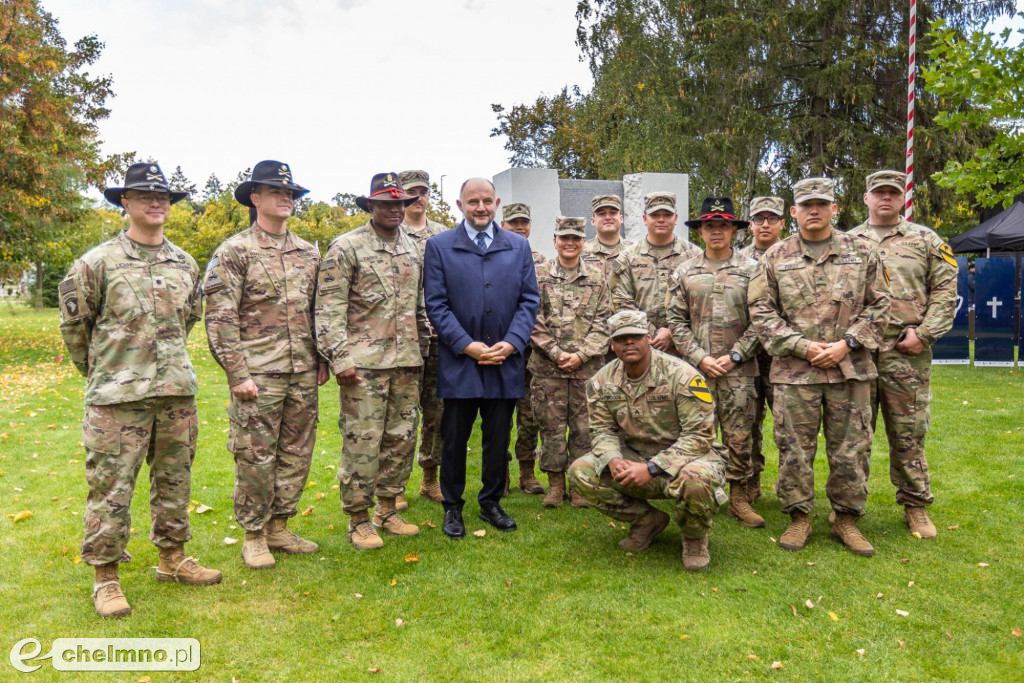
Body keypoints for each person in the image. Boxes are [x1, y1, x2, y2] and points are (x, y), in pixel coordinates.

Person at [58, 163, 221, 618]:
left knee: (175, 482)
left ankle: (172, 560)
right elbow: (75, 326)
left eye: (164, 197)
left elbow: (189, 318)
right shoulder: (97, 262)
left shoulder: (185, 263)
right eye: (146, 196)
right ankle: (106, 578)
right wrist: (104, 373)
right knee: (111, 489)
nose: (157, 203)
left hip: (175, 392)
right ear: (124, 203)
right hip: (116, 399)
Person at [748, 177, 891, 556]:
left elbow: (882, 306)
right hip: (796, 373)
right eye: (807, 204)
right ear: (793, 212)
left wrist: (847, 344)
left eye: (822, 204)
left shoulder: (863, 251)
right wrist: (804, 346)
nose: (815, 210)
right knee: (794, 448)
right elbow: (761, 313)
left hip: (851, 369)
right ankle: (799, 517)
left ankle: (845, 519)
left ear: (835, 209)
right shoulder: (775, 257)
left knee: (852, 448)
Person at [204, 160, 327, 570]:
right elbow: (221, 317)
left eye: (290, 193)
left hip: (303, 371)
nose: (286, 198)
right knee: (255, 457)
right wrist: (237, 374)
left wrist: (322, 359)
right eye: (277, 192)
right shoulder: (235, 251)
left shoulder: (309, 252)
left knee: (296, 452)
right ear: (256, 198)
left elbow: (320, 311)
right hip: (258, 373)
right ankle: (254, 534)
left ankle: (279, 525)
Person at [315, 172, 430, 550]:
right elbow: (328, 309)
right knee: (363, 443)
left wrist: (426, 349)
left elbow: (418, 306)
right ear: (371, 206)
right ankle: (358, 519)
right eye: (386, 203)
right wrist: (339, 358)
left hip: (407, 360)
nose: (395, 210)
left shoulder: (413, 248)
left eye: (399, 203)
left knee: (401, 439)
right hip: (363, 365)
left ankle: (387, 508)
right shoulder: (347, 247)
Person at [422, 178, 540, 539]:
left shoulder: (518, 247)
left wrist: (513, 342)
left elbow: (529, 301)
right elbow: (436, 304)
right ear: (460, 205)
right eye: (473, 201)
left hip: (505, 360)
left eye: (487, 201)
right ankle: (453, 507)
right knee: (455, 438)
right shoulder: (439, 246)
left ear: (497, 202)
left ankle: (491, 502)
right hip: (461, 361)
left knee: (497, 437)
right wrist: (465, 344)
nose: (481, 208)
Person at [568, 311, 727, 571]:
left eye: (636, 337)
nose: (629, 343)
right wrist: (613, 458)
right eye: (622, 339)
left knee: (696, 480)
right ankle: (646, 521)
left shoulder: (683, 375)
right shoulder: (601, 382)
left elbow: (701, 435)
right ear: (612, 344)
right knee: (580, 472)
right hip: (636, 456)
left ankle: (694, 536)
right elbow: (601, 429)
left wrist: (653, 468)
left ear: (649, 339)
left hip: (689, 458)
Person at [848, 170, 958, 538]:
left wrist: (925, 335)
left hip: (905, 351)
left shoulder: (926, 240)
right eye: (878, 192)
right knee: (853, 433)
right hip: (858, 352)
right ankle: (848, 508)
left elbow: (945, 291)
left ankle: (915, 504)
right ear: (865, 198)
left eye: (892, 193)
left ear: (902, 198)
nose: (885, 198)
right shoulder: (847, 241)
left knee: (908, 432)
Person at [668, 197, 763, 528]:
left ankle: (739, 496)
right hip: (697, 371)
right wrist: (700, 358)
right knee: (697, 432)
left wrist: (736, 354)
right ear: (701, 232)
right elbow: (676, 322)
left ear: (734, 230)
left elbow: (763, 319)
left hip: (740, 370)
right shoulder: (684, 271)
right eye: (710, 226)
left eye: (723, 225)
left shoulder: (753, 269)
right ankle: (699, 489)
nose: (717, 231)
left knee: (740, 436)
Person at [530, 216, 611, 508]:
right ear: (555, 241)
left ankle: (578, 485)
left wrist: (582, 354)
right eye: (564, 238)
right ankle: (554, 486)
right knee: (550, 428)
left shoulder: (598, 277)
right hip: (547, 369)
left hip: (586, 369)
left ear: (583, 242)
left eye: (576, 238)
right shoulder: (539, 275)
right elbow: (531, 319)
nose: (570, 243)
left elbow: (605, 321)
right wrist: (555, 352)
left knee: (584, 429)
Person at [398, 169, 449, 505]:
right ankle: (395, 486)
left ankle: (430, 478)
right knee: (401, 415)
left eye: (423, 191)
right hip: (400, 338)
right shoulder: (389, 231)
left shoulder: (444, 235)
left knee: (437, 412)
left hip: (437, 337)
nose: (418, 197)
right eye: (411, 192)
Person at [611, 192, 701, 356]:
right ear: (645, 219)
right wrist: (651, 332)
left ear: (676, 218)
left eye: (667, 215)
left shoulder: (694, 255)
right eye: (655, 215)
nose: (661, 219)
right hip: (642, 344)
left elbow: (700, 302)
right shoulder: (628, 257)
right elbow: (622, 301)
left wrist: (672, 332)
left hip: (686, 346)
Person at [738, 196, 786, 502]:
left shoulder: (792, 255)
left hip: (782, 356)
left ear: (783, 222)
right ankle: (750, 479)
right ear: (751, 224)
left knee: (787, 423)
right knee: (747, 422)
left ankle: (790, 486)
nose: (765, 224)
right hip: (748, 355)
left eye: (771, 218)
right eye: (759, 219)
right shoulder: (738, 259)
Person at [498, 202, 545, 495]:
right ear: (503, 225)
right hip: (501, 349)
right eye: (513, 222)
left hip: (531, 351)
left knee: (529, 416)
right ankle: (498, 471)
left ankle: (527, 473)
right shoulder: (493, 256)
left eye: (523, 222)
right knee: (499, 415)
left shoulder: (541, 261)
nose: (519, 227)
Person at [582, 194, 633, 279]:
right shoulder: (580, 253)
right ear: (593, 221)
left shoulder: (635, 252)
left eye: (613, 213)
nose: (608, 217)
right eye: (601, 214)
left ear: (621, 219)